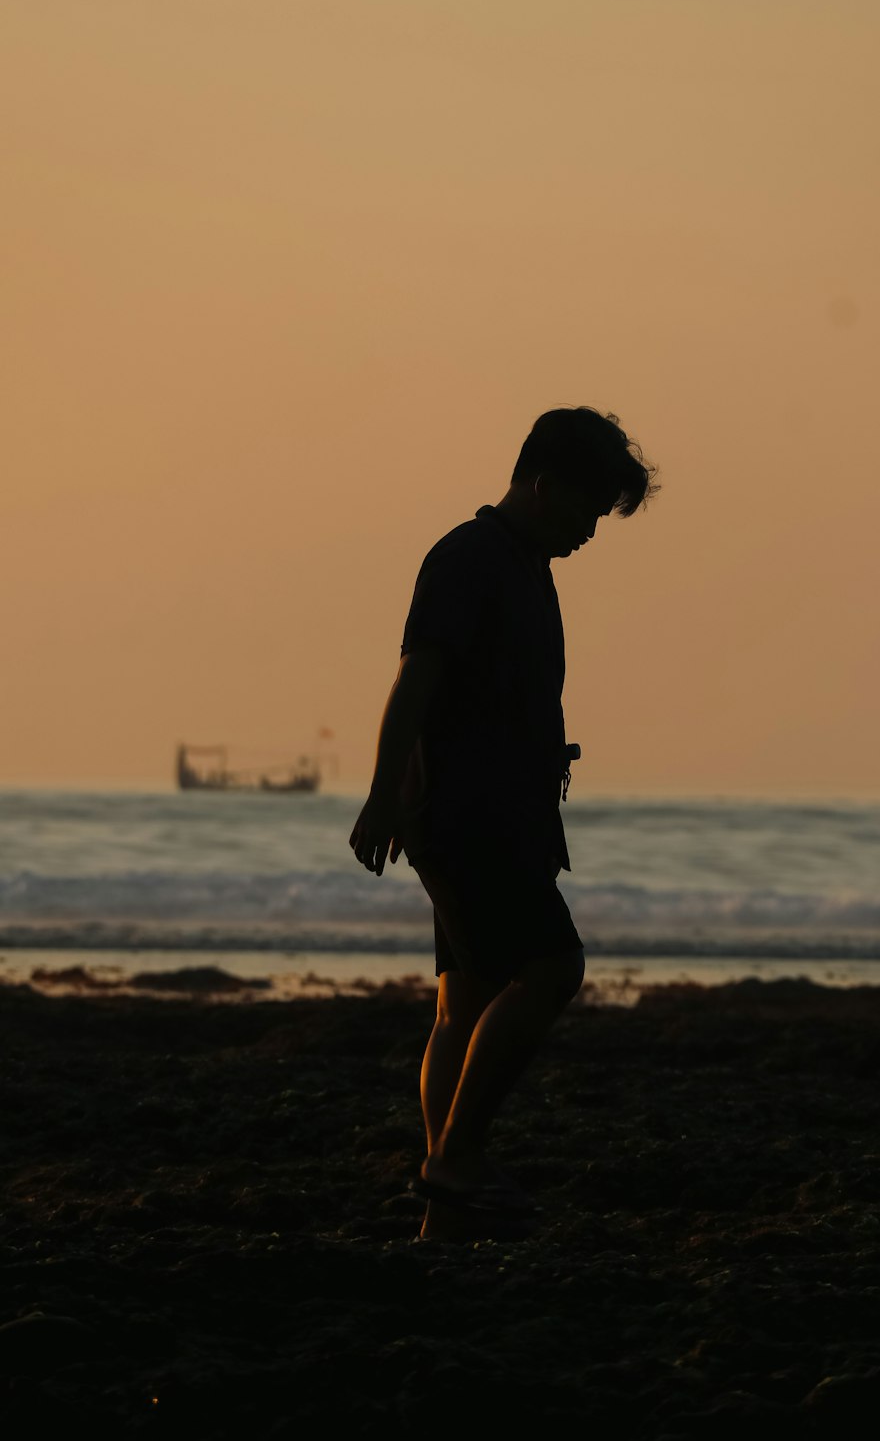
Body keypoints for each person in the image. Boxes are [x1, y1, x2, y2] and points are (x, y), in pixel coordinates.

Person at [349, 406, 657, 1236]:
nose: (591, 531)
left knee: (465, 999)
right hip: (468, 815)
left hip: (491, 812)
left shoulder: (522, 564)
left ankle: (444, 1214)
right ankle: (455, 1158)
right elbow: (417, 678)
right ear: (541, 483)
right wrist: (383, 793)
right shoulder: (470, 557)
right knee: (554, 970)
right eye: (586, 511)